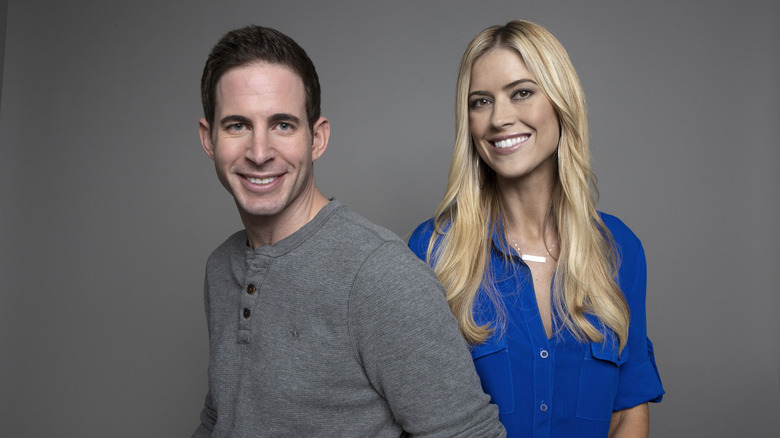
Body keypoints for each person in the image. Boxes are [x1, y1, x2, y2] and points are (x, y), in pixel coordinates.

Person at [191, 25, 505, 438]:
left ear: (317, 138)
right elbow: (221, 418)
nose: (260, 152)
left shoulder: (379, 277)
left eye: (282, 125)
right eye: (237, 125)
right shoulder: (221, 268)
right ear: (208, 138)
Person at [408, 20, 664, 437]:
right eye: (480, 102)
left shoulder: (619, 249)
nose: (499, 118)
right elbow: (417, 414)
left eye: (522, 93)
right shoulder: (433, 250)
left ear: (561, 103)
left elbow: (628, 412)